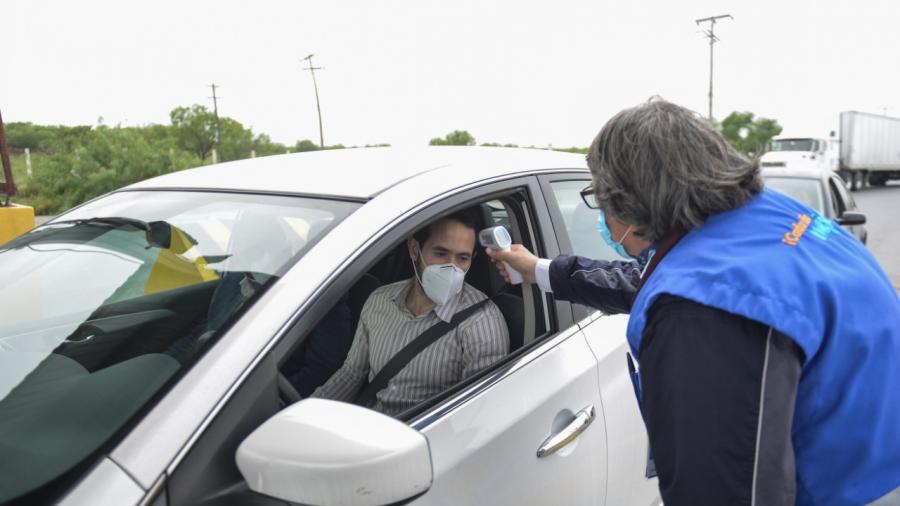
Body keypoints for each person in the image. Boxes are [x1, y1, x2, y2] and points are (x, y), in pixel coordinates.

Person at [487, 99, 900, 506]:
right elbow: (672, 277)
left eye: (600, 198)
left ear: (633, 199)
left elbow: (724, 492)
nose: (604, 217)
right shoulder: (763, 220)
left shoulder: (699, 317)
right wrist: (541, 270)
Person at [312, 209, 509, 416]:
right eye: (441, 254)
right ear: (414, 250)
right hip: (367, 427)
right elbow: (352, 373)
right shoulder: (379, 300)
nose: (451, 268)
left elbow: (477, 412)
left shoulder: (481, 322)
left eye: (462, 258)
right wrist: (311, 413)